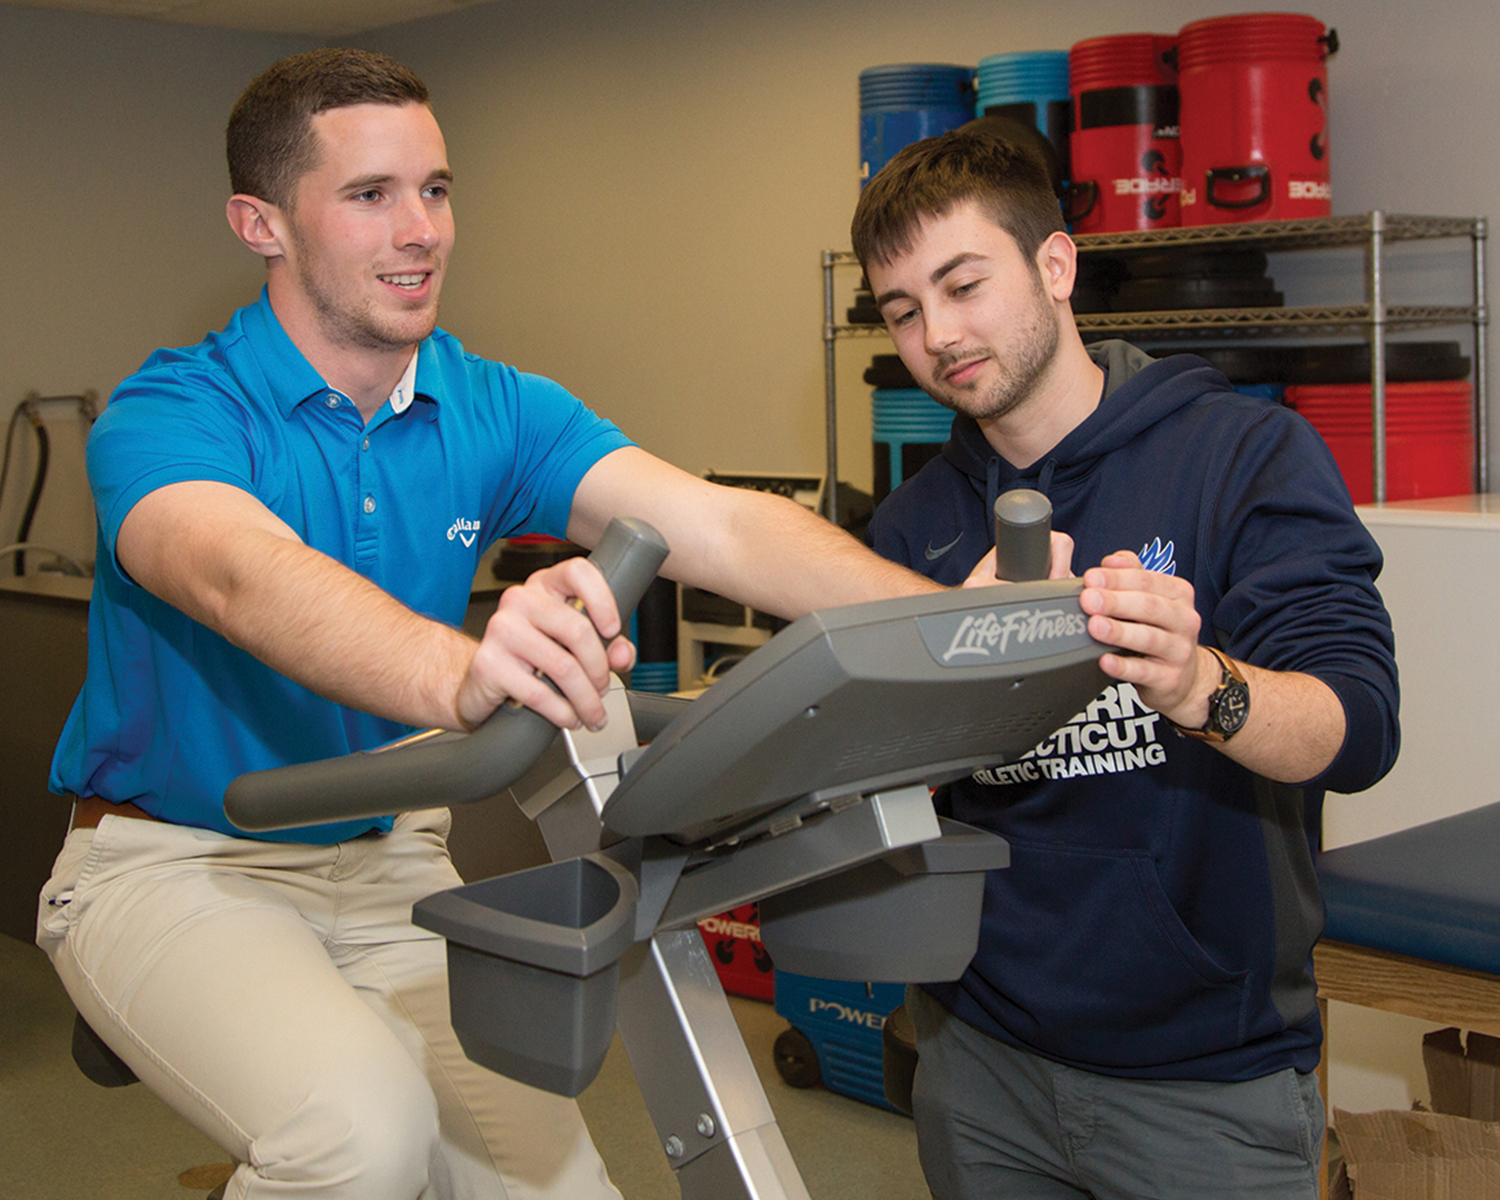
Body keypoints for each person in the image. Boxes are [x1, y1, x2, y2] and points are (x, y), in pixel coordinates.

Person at [35, 48, 943, 1200]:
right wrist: (462, 677)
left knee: (558, 1185)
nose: (423, 230)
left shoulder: (489, 406)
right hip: (173, 866)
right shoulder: (173, 411)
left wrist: (961, 625)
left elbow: (719, 527)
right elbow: (236, 575)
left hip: (387, 858)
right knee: (360, 1139)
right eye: (370, 196)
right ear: (260, 224)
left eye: (437, 188)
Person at [851, 128, 1399, 1200]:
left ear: (1056, 267)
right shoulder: (910, 530)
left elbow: (1359, 728)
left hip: (1206, 1086)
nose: (939, 337)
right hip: (981, 1064)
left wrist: (1200, 684)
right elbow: (858, 797)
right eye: (904, 311)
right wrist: (938, 681)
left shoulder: (1242, 456)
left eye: (964, 286)